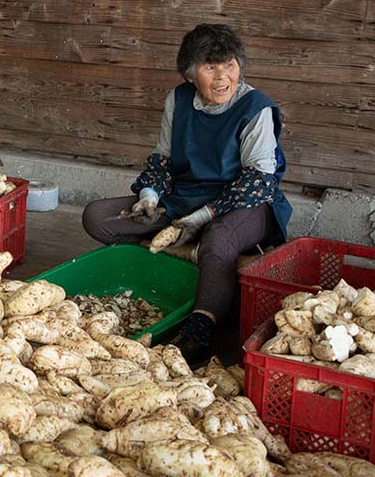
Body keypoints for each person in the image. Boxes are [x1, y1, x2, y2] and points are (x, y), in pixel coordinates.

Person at [82, 23, 293, 367]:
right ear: (191, 74)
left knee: (219, 240)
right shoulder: (179, 100)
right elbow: (163, 158)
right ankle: (190, 263)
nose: (223, 76)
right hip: (185, 197)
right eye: (210, 67)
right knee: (97, 217)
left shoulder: (255, 107)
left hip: (245, 204)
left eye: (230, 65)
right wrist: (150, 195)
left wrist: (202, 218)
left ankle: (200, 328)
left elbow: (258, 181)